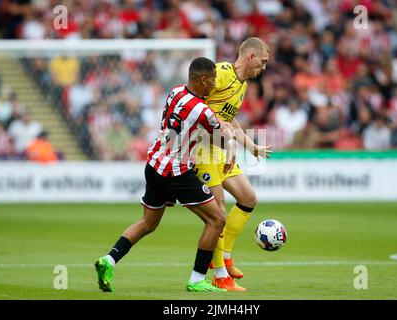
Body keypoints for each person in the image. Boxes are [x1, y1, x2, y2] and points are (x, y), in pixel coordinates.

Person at [94, 57, 237, 293]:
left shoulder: (176, 92)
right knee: (217, 219)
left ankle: (108, 260)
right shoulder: (201, 110)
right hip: (177, 172)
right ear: (203, 79)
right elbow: (219, 136)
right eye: (212, 80)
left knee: (147, 223)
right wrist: (230, 143)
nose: (214, 85)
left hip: (155, 164)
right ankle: (198, 278)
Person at [194, 37, 272, 291]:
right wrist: (219, 125)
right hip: (201, 149)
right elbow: (196, 102)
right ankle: (219, 276)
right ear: (250, 56)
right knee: (217, 212)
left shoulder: (243, 85)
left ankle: (224, 256)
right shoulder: (221, 74)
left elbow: (231, 121)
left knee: (249, 198)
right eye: (262, 62)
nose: (263, 67)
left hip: (219, 150)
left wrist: (252, 146)